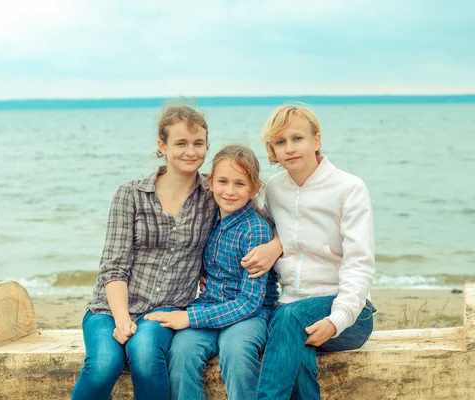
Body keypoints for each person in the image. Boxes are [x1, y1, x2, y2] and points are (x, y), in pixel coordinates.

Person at [71, 105, 219, 400]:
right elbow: (113, 267)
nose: (190, 152)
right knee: (103, 364)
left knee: (146, 354)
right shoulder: (131, 194)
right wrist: (122, 319)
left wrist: (274, 245)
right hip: (109, 308)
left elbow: (258, 217)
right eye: (181, 143)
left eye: (198, 143)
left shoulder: (213, 195)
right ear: (162, 147)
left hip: (167, 308)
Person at [253, 105, 376, 400]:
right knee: (296, 350)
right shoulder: (273, 189)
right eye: (280, 142)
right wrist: (275, 245)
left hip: (350, 314)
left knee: (289, 321)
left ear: (316, 140)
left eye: (297, 138)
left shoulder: (349, 188)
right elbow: (263, 230)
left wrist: (338, 319)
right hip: (288, 310)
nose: (289, 149)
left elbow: (359, 263)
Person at [145, 144, 279, 400]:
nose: (229, 191)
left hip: (248, 315)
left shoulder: (256, 230)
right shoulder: (210, 218)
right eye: (223, 181)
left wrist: (190, 319)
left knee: (236, 352)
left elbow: (250, 302)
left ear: (254, 187)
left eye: (240, 184)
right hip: (209, 304)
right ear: (210, 183)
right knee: (181, 353)